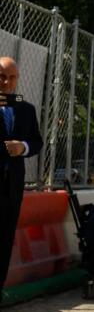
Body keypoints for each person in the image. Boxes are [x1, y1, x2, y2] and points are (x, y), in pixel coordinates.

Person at [0, 57, 43, 294]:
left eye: (11, 77)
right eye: (2, 76)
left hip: (11, 190)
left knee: (4, 245)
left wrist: (22, 147)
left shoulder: (26, 109)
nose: (6, 82)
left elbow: (37, 142)